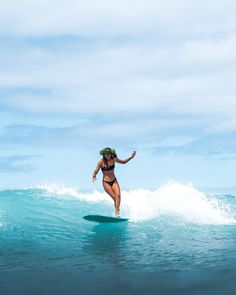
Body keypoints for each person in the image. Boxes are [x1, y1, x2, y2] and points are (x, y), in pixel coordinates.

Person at [92, 147, 136, 217]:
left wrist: (131, 157)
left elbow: (123, 162)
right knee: (115, 198)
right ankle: (117, 212)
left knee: (118, 196)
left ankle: (117, 213)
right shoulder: (101, 162)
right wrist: (94, 175)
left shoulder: (114, 159)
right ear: (104, 154)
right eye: (106, 154)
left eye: (109, 154)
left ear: (111, 154)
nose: (108, 156)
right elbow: (96, 170)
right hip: (106, 182)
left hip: (114, 181)